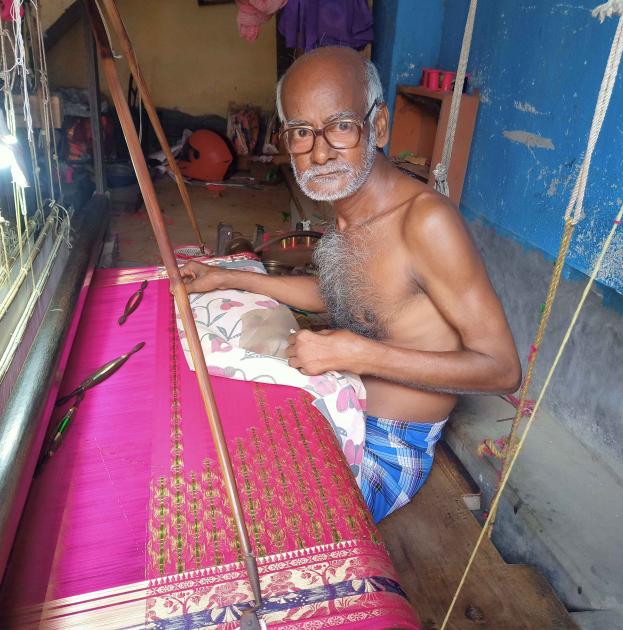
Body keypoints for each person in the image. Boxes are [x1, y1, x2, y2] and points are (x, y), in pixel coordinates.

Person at [181, 47, 521, 522]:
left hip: (386, 449)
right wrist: (228, 277)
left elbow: (503, 370)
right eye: (301, 132)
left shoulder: (425, 223)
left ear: (378, 127)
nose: (319, 152)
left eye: (341, 126)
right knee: (197, 442)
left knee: (228, 518)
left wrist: (357, 355)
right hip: (344, 400)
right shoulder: (348, 209)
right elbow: (347, 294)